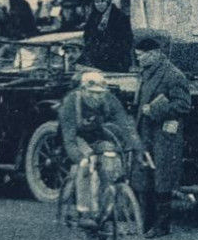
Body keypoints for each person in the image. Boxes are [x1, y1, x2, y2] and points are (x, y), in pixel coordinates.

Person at [58, 68, 142, 218]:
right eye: (92, 92)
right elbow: (69, 139)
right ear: (83, 90)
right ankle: (85, 212)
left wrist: (137, 147)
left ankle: (105, 205)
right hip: (77, 138)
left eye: (100, 93)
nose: (96, 97)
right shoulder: (71, 103)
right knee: (86, 164)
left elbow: (125, 124)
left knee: (111, 160)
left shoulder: (109, 100)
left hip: (98, 136)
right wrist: (80, 157)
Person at [133, 37, 191, 237]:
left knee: (162, 179)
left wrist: (155, 110)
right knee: (146, 178)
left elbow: (183, 104)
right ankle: (146, 224)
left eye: (140, 56)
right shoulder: (147, 72)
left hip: (164, 135)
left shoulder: (173, 75)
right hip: (147, 133)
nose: (138, 59)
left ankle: (162, 226)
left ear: (154, 54)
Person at [81, 0, 134, 73]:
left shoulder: (119, 17)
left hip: (116, 57)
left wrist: (113, 49)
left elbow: (127, 39)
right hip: (97, 57)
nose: (99, 4)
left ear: (108, 2)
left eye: (103, 1)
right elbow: (87, 36)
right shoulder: (93, 17)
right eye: (97, 2)